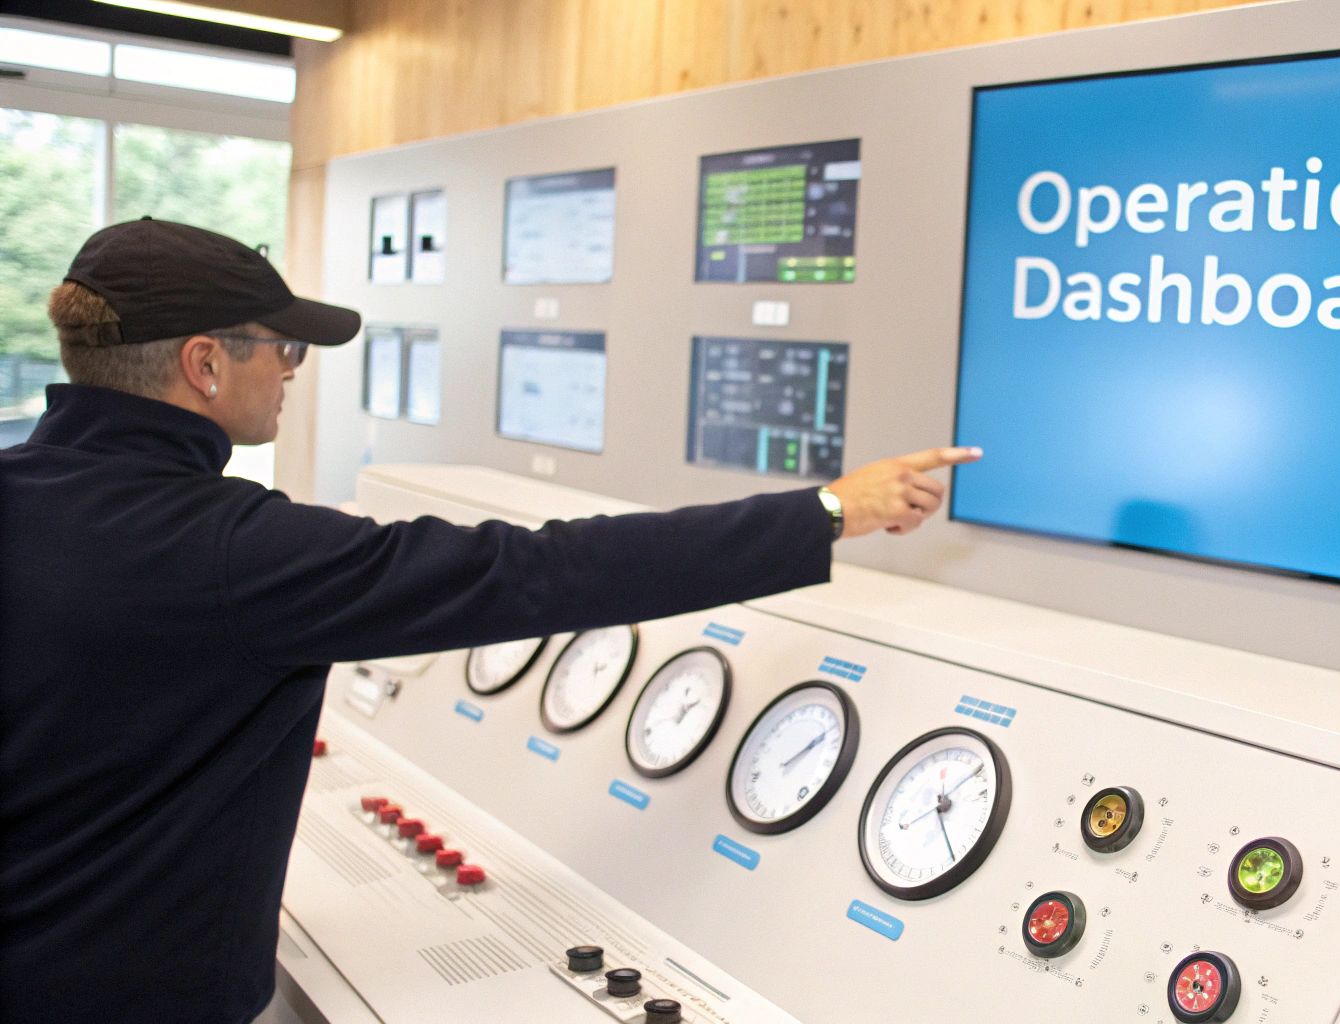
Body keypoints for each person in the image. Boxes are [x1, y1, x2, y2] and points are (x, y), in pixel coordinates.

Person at [0, 218, 980, 1023]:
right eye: (284, 347)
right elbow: (534, 573)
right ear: (205, 363)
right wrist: (826, 511)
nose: (293, 371)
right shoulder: (233, 551)